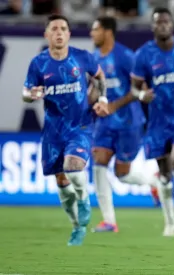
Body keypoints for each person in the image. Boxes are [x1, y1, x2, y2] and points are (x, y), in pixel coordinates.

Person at [102, 7, 174, 237]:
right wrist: (142, 95)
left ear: (171, 25)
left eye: (166, 22)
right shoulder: (144, 55)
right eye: (158, 22)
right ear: (152, 26)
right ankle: (170, 221)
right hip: (158, 122)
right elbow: (134, 86)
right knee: (163, 175)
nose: (162, 25)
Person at [22, 14, 109, 246]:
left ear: (69, 34)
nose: (59, 32)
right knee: (61, 182)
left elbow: (100, 78)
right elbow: (25, 92)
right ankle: (76, 226)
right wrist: (31, 95)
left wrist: (103, 99)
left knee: (73, 167)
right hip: (53, 131)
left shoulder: (82, 58)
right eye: (54, 29)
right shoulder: (38, 63)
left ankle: (84, 200)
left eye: (63, 28)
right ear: (47, 35)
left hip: (80, 124)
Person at [89, 16, 159, 233]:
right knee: (99, 161)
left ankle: (153, 182)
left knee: (123, 174)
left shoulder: (126, 56)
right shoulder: (93, 58)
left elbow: (140, 89)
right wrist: (93, 103)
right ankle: (109, 221)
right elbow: (95, 88)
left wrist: (114, 106)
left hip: (129, 122)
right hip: (105, 123)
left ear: (107, 31)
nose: (92, 34)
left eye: (95, 29)